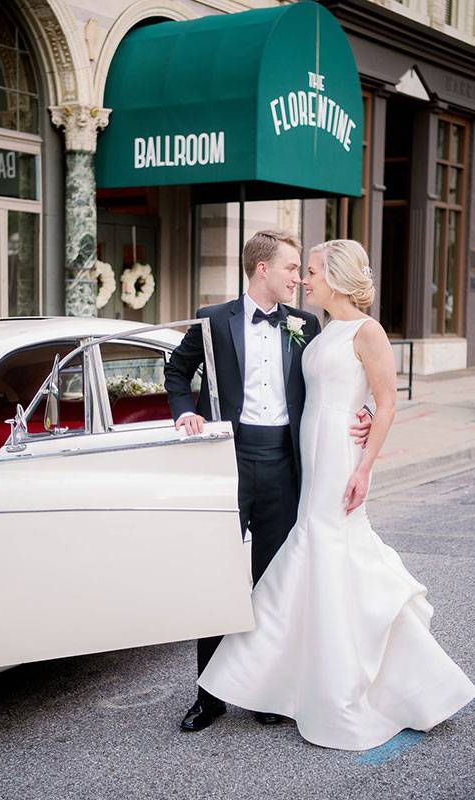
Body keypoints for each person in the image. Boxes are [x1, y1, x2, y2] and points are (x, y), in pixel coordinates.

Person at [197, 239, 475, 750]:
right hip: (308, 454)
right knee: (313, 556)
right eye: (301, 270)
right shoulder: (319, 329)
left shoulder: (368, 331)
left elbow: (387, 403)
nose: (305, 278)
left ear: (337, 277)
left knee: (328, 552)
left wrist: (365, 466)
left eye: (313, 270)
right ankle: (287, 680)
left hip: (341, 459)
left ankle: (353, 683)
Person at [164, 230, 372, 732]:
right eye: (291, 269)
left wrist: (362, 409)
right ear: (262, 269)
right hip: (227, 461)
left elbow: (336, 376)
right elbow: (176, 373)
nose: (299, 279)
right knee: (217, 576)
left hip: (284, 461)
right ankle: (208, 696)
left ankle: (266, 690)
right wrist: (183, 415)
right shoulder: (213, 320)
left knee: (273, 579)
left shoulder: (306, 323)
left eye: (304, 270)